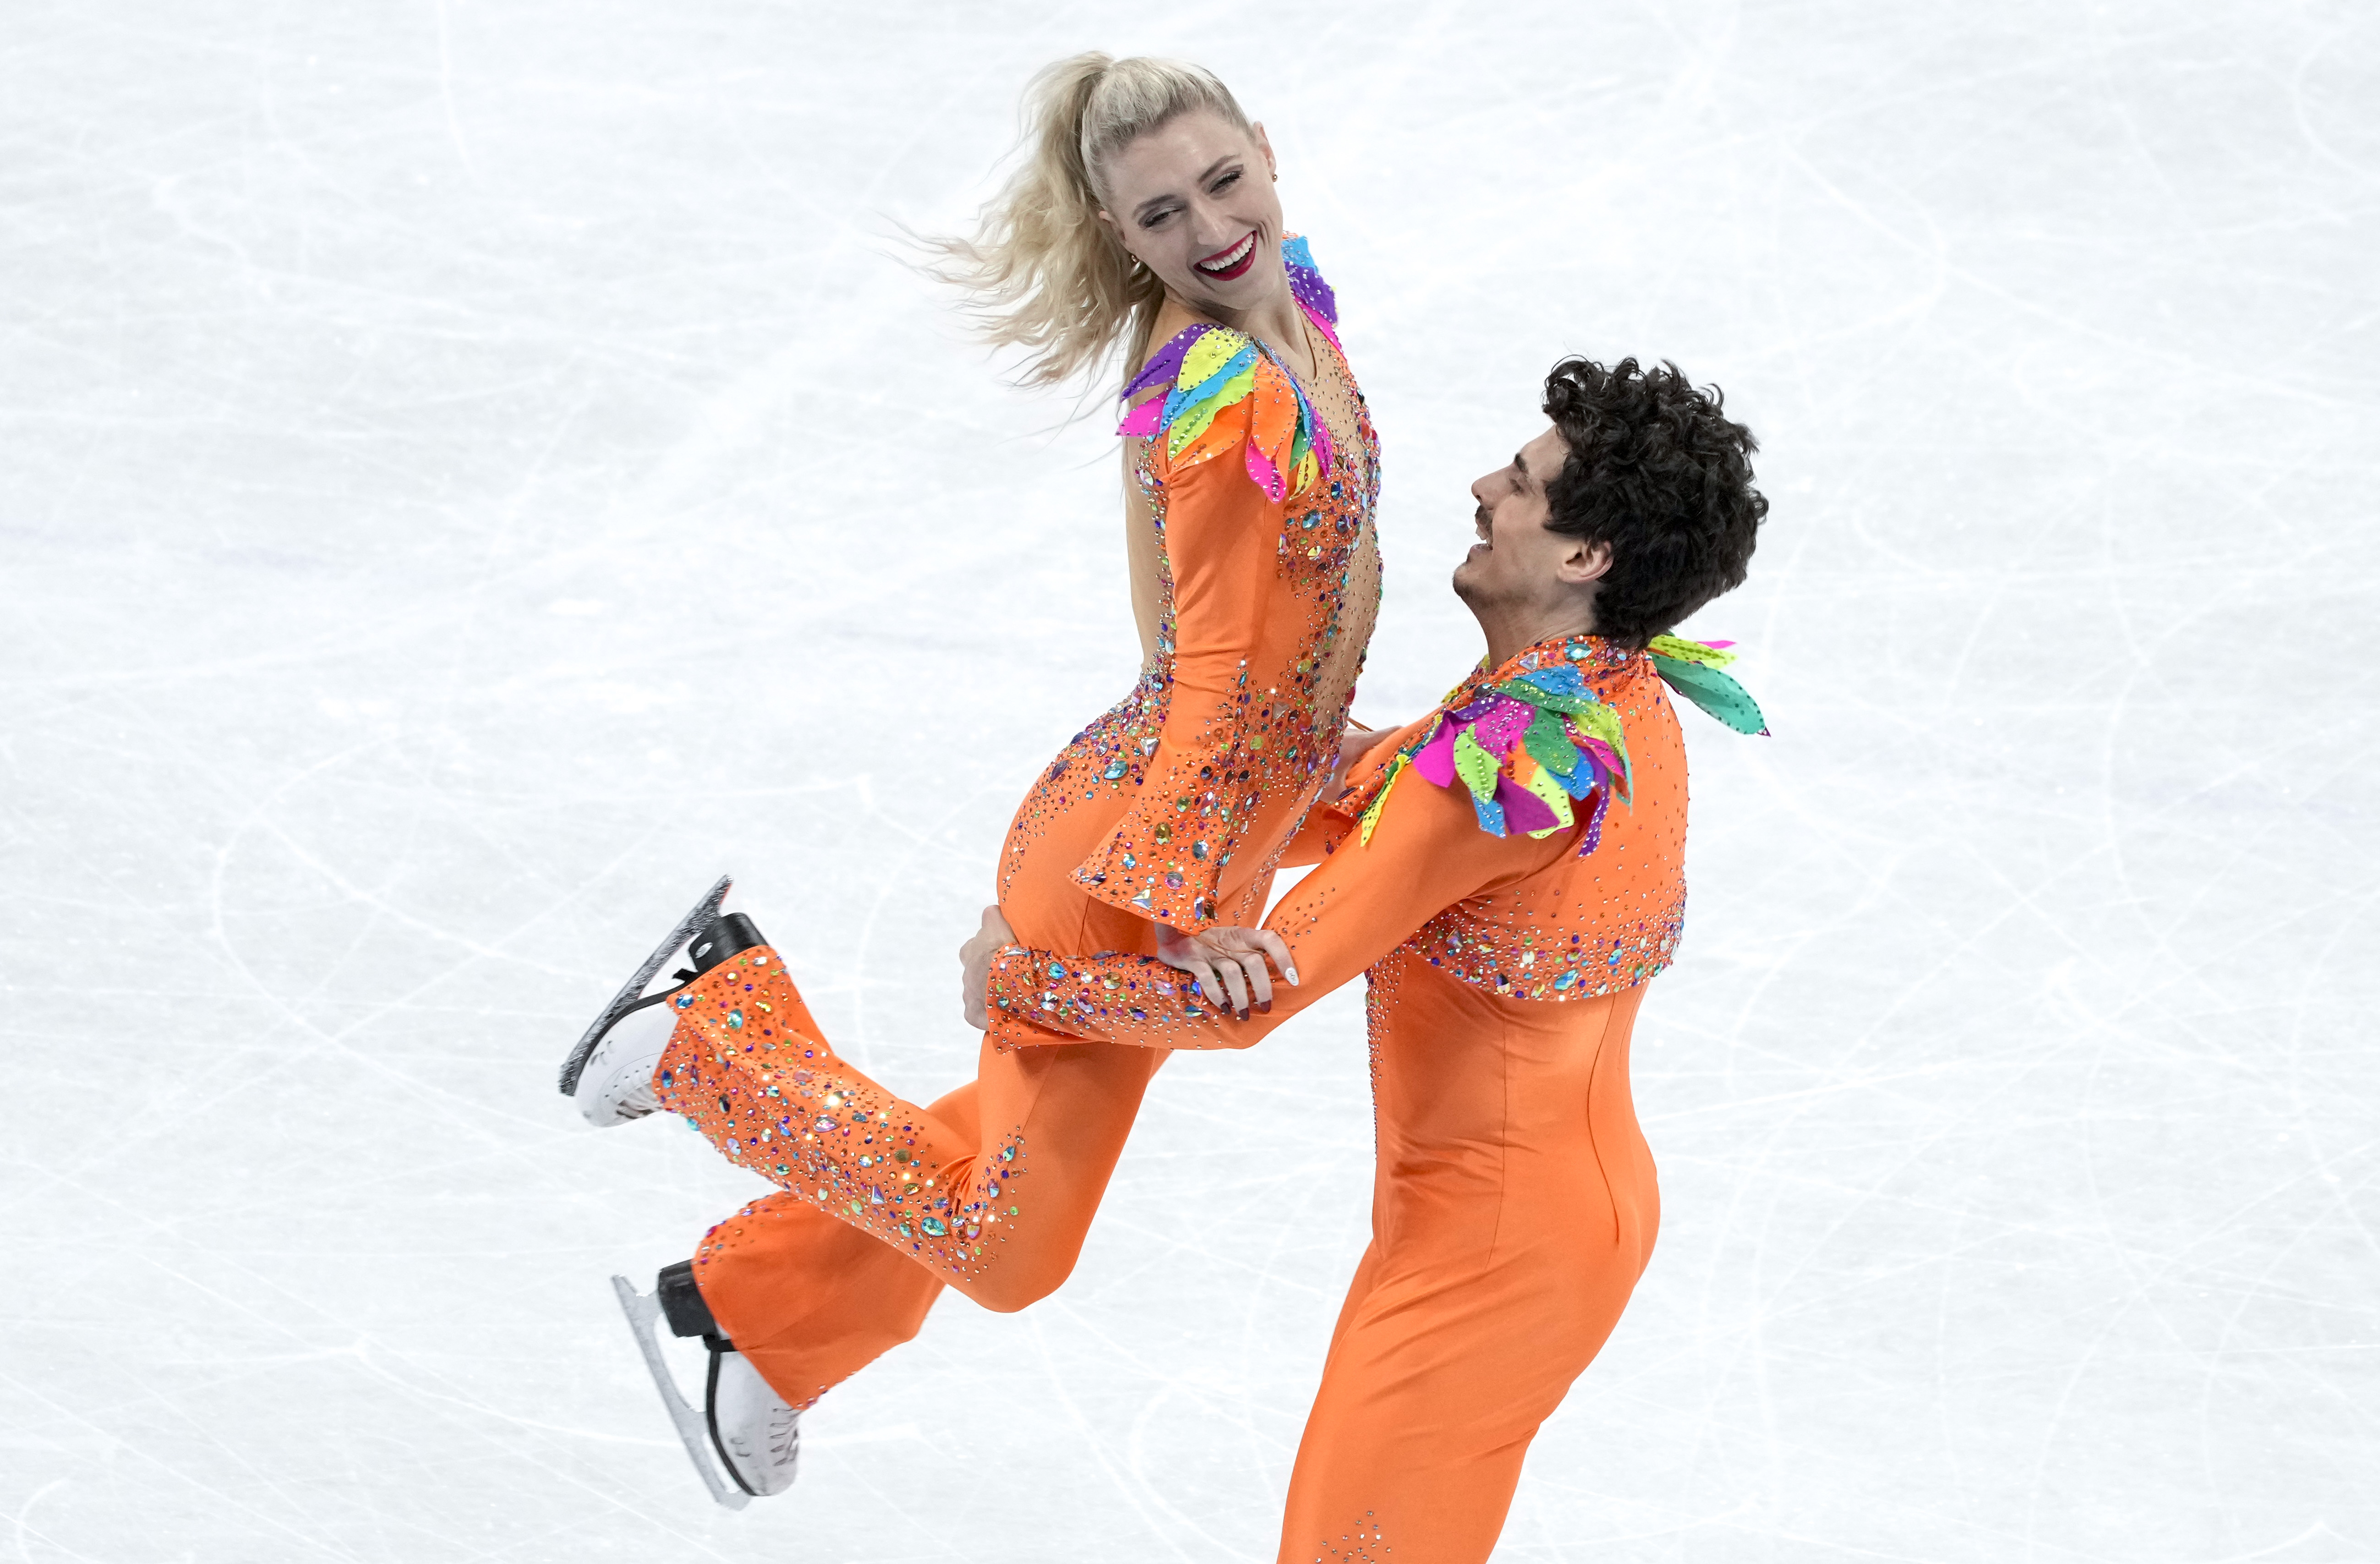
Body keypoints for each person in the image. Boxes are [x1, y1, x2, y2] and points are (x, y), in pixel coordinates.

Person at [553, 52, 1383, 1506]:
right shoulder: (1220, 393)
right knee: (1009, 1248)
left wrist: (1336, 775)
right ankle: (710, 1040)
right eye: (1160, 215)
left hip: (1199, 821)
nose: (1209, 229)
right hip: (1135, 855)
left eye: (1222, 182)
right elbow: (1203, 666)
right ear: (1120, 235)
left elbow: (1273, 646)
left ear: (1265, 147)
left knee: (997, 1171)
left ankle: (755, 1324)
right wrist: (1183, 910)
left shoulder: (1291, 312)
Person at [931, 355, 1768, 1562]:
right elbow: (1362, 793)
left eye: (1524, 484)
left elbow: (1247, 997)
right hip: (1530, 1223)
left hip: (1494, 1253)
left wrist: (1015, 983)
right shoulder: (1589, 694)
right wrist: (1207, 738)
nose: (1484, 486)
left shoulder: (1513, 767)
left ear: (1586, 560)